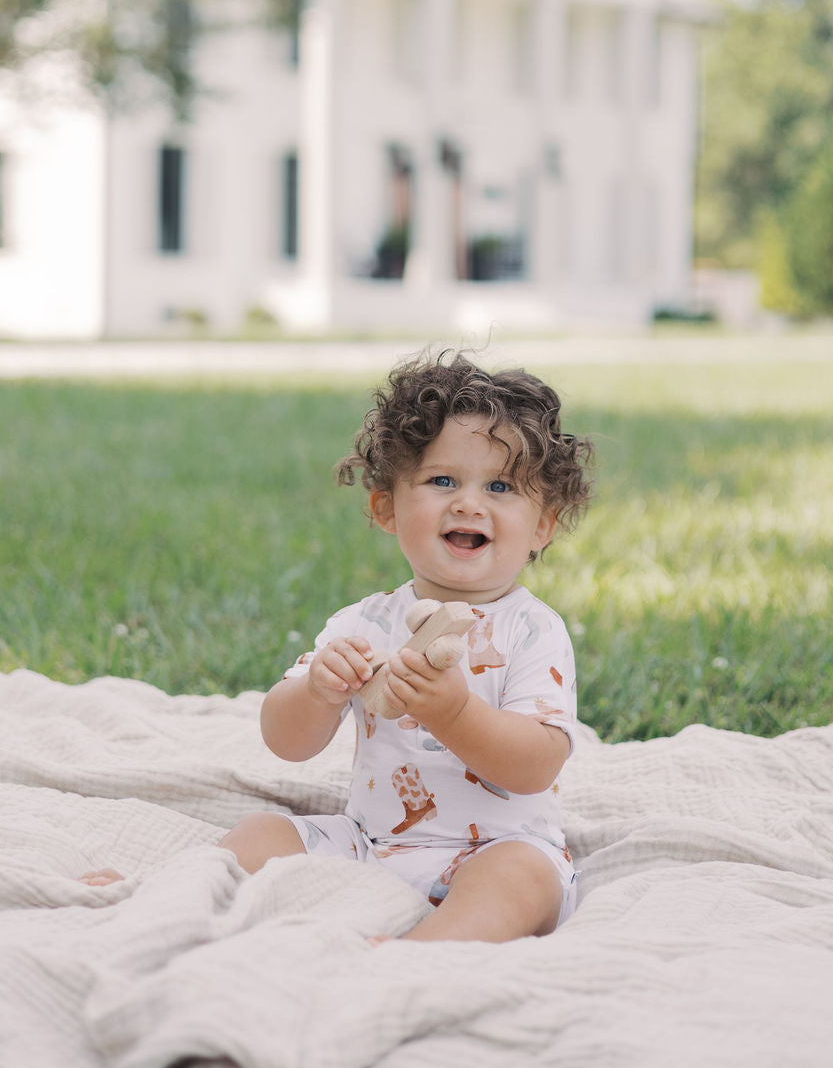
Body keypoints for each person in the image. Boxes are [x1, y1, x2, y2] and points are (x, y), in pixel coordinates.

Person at [85, 352, 593, 944]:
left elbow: (535, 766)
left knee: (523, 879)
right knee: (264, 831)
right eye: (442, 481)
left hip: (498, 848)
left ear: (542, 526)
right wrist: (317, 691)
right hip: (370, 845)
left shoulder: (533, 630)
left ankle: (421, 951)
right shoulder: (364, 622)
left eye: (500, 487)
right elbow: (286, 742)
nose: (468, 503)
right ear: (386, 508)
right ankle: (164, 892)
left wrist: (454, 712)